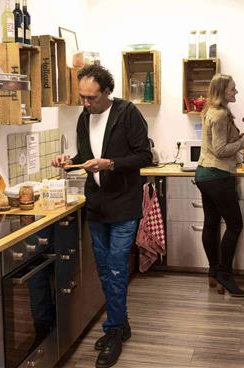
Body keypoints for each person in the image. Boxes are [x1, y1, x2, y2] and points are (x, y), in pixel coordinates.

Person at [52, 64, 152, 368]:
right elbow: (86, 157)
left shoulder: (127, 113)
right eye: (82, 97)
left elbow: (144, 156)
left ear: (106, 92)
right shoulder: (84, 118)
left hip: (123, 205)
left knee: (118, 269)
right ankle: (120, 325)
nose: (85, 103)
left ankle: (113, 331)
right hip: (96, 206)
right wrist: (68, 160)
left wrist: (109, 164)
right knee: (105, 270)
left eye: (91, 97)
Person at [194, 74, 244, 297]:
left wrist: (240, 137)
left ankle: (213, 271)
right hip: (217, 175)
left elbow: (217, 144)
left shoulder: (210, 111)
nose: (236, 92)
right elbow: (220, 150)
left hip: (204, 174)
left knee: (211, 223)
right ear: (221, 91)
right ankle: (225, 273)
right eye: (232, 89)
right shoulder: (220, 114)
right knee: (235, 225)